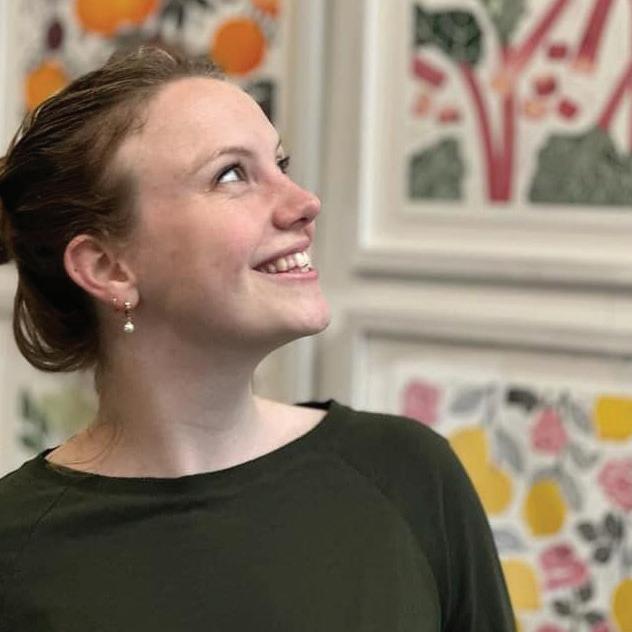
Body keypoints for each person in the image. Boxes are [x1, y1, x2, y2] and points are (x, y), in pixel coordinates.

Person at [0, 47, 515, 631]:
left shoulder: (408, 475)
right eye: (231, 175)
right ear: (107, 267)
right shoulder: (15, 553)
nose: (305, 204)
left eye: (281, 163)